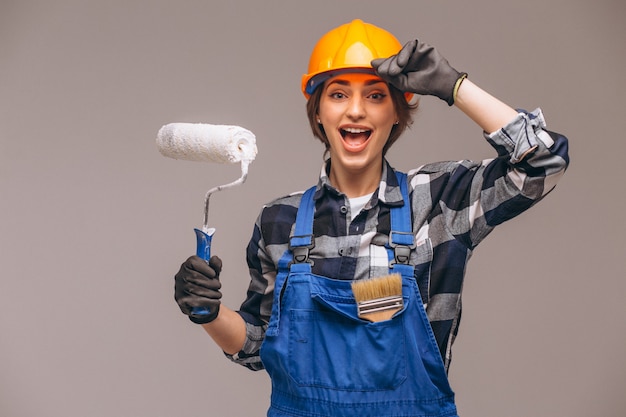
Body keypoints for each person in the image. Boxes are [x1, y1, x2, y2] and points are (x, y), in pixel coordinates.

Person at [173, 19, 569, 417]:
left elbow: (543, 163)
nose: (357, 110)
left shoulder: (439, 201)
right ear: (319, 113)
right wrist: (207, 312)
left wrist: (455, 87)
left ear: (397, 113)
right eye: (339, 94)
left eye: (376, 96)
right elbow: (256, 346)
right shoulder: (280, 220)